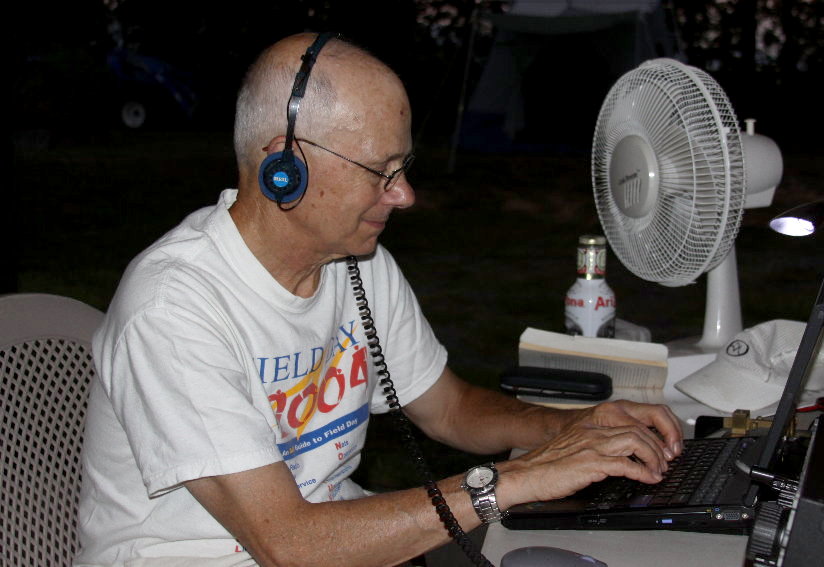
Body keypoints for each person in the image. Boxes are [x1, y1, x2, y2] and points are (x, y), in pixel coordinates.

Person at [75, 33, 684, 567]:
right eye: (381, 170)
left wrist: (572, 429)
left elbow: (448, 409)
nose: (405, 195)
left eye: (404, 166)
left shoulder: (358, 262)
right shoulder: (174, 308)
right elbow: (290, 546)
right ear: (284, 167)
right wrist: (523, 477)